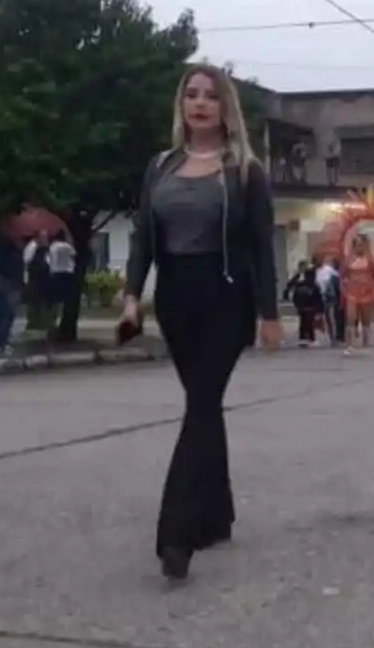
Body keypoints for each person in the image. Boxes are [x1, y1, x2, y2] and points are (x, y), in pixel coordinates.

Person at [120, 63, 280, 581]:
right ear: (182, 104)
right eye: (192, 94)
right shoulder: (161, 167)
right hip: (176, 299)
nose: (201, 103)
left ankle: (177, 533)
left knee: (202, 404)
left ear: (225, 107)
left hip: (227, 297)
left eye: (211, 95)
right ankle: (217, 515)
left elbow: (262, 246)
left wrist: (269, 313)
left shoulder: (246, 171)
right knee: (203, 407)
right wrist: (132, 297)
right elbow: (144, 237)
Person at [341, 235, 374, 354]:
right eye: (357, 245)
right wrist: (345, 282)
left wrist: (372, 284)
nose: (360, 248)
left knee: (366, 320)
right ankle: (349, 345)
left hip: (367, 293)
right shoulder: (348, 260)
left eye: (362, 245)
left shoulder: (371, 260)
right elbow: (343, 274)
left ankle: (366, 344)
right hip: (352, 292)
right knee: (350, 318)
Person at [23, 230, 52, 333]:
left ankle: (43, 322)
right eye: (43, 237)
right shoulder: (32, 247)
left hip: (44, 278)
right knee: (34, 300)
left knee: (43, 301)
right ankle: (34, 322)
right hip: (34, 278)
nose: (46, 239)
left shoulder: (46, 249)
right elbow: (27, 262)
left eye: (46, 237)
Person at [46, 229, 75, 327]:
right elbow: (73, 255)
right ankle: (62, 318)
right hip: (67, 273)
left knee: (55, 298)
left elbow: (49, 259)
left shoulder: (53, 246)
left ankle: (53, 319)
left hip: (55, 273)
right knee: (66, 298)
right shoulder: (68, 246)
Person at [290, 265, 323, 348]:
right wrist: (320, 309)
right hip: (311, 308)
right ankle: (311, 338)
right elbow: (318, 298)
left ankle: (303, 337)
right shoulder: (314, 286)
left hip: (302, 307)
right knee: (310, 323)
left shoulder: (300, 285)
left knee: (303, 322)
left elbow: (291, 288)